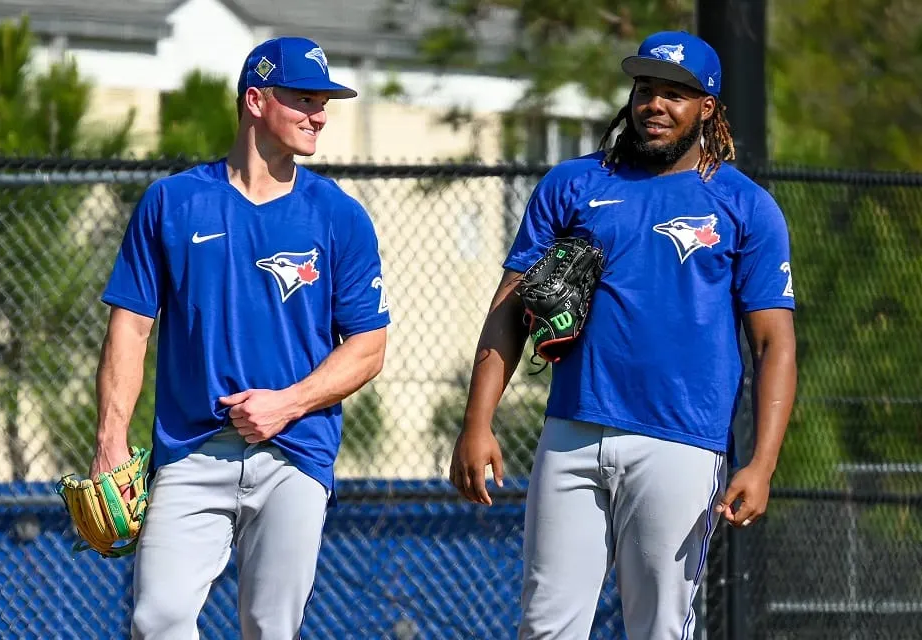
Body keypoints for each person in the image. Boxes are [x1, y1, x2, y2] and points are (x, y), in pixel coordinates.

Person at [449, 30, 797, 639]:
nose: (654, 104)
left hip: (681, 443)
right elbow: (508, 307)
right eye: (645, 89)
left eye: (674, 94)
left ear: (706, 108)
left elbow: (774, 344)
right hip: (572, 430)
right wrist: (478, 421)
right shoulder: (574, 185)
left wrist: (763, 464)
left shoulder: (746, 206)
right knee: (546, 625)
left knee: (659, 627)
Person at [91, 36, 390, 639]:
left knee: (268, 626)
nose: (319, 114)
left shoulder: (339, 215)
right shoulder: (173, 202)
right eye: (303, 98)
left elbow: (368, 347)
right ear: (255, 100)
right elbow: (131, 326)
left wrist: (288, 403)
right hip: (191, 448)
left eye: (324, 101)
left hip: (296, 453)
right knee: (158, 618)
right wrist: (110, 439)